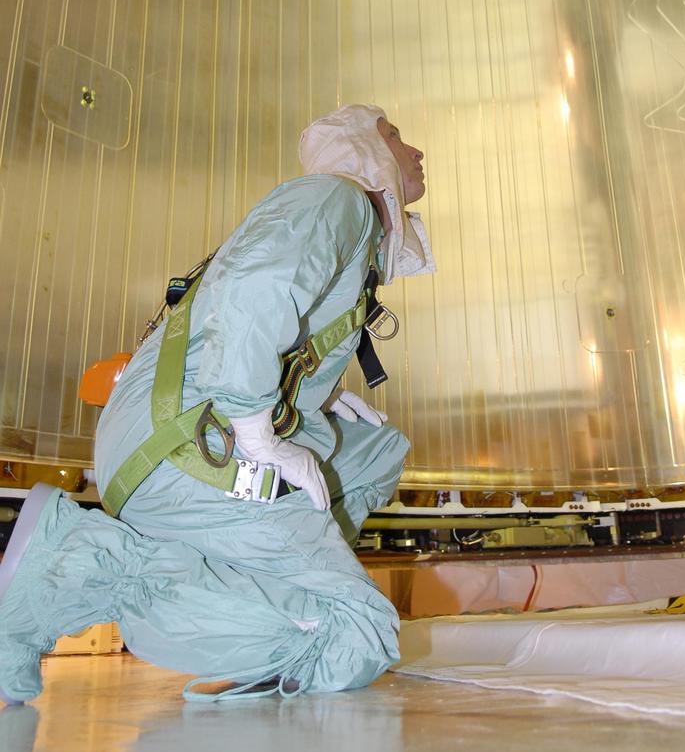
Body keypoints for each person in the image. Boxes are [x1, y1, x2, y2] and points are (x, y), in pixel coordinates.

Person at [0, 104, 434, 704]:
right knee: (355, 637)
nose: (416, 152)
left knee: (375, 453)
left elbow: (256, 316)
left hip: (176, 436)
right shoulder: (337, 199)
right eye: (396, 136)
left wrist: (320, 395)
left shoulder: (344, 230)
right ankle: (79, 565)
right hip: (194, 450)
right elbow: (253, 292)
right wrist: (259, 431)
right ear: (366, 150)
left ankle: (262, 576)